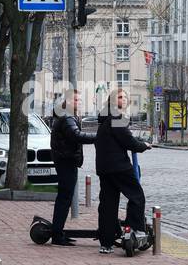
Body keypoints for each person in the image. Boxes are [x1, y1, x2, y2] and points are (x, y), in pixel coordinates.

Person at [94, 89, 151, 254]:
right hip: (119, 166)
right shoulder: (116, 117)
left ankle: (106, 242)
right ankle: (135, 230)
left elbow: (119, 138)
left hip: (104, 167)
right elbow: (128, 141)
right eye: (120, 97)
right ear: (112, 100)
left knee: (108, 204)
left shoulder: (105, 118)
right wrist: (143, 146)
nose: (124, 99)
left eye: (126, 97)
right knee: (137, 196)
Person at [48, 90, 97, 246]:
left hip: (65, 160)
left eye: (80, 100)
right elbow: (76, 136)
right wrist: (98, 137)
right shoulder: (67, 117)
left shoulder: (67, 116)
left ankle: (59, 231)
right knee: (64, 198)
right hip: (66, 161)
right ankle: (57, 234)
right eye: (76, 100)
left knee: (65, 197)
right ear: (68, 101)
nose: (79, 102)